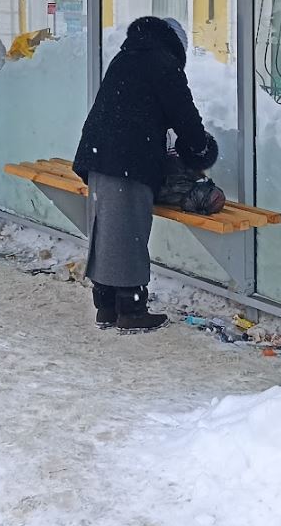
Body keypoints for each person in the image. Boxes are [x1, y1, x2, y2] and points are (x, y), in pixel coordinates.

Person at [73, 16, 218, 332]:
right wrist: (202, 151)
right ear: (177, 45)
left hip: (100, 153)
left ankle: (107, 306)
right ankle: (131, 310)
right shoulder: (163, 63)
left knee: (107, 227)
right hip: (128, 156)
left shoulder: (127, 56)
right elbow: (186, 118)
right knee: (129, 232)